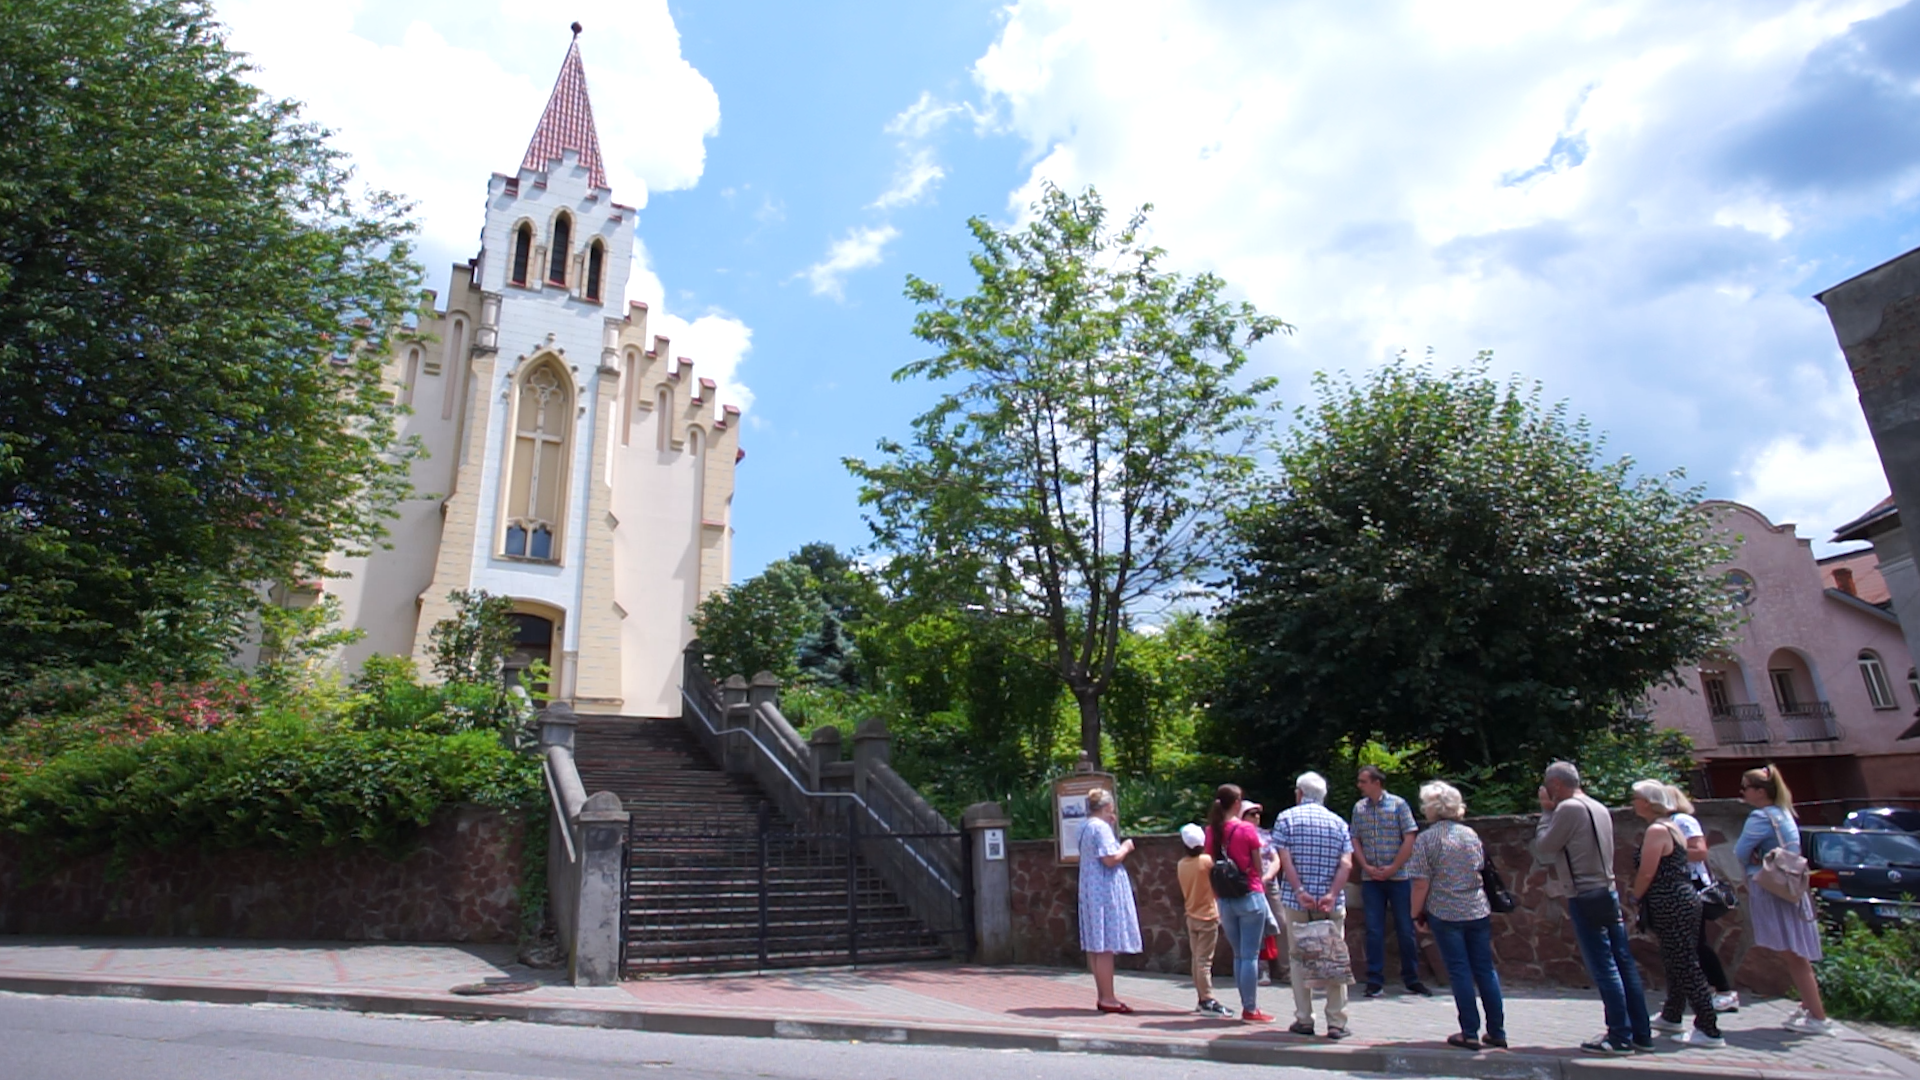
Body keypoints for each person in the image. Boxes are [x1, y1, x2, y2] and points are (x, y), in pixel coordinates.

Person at [1531, 761, 1652, 1055]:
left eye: (1548, 787)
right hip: (1606, 890)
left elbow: (1545, 848)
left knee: (1604, 965)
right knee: (1622, 962)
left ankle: (1619, 1036)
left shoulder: (1568, 809)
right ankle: (1640, 1033)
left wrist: (1546, 811)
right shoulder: (1597, 806)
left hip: (1584, 893)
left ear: (1556, 785)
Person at [1735, 764, 1837, 1035]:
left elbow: (1741, 850)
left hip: (1772, 888)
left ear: (1759, 791)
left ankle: (1818, 1017)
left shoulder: (1760, 817)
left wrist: (1753, 865)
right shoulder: (1784, 813)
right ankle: (1809, 1006)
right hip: (1791, 885)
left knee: (1793, 954)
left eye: (1745, 788)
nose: (1742, 792)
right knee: (1796, 951)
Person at [1409, 780, 1506, 1051]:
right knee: (1485, 969)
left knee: (1459, 971)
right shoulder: (1470, 835)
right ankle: (1497, 1030)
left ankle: (1469, 1031)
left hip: (1445, 911)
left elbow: (1420, 883)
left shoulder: (1427, 839)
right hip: (1476, 908)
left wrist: (1414, 913)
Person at [1627, 780, 1722, 1048]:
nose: (1633, 803)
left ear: (1647, 802)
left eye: (1636, 798)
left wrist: (1636, 896)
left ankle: (1708, 1026)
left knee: (1684, 962)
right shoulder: (1673, 826)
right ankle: (1672, 1013)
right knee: (1675, 958)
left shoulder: (1657, 830)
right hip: (1682, 898)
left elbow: (1648, 871)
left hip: (1669, 900)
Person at [1271, 771, 1356, 1040]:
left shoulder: (1286, 819)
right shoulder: (1338, 823)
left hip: (1297, 902)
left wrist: (1300, 891)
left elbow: (1286, 861)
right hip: (1331, 903)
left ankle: (1304, 1019)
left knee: (1298, 958)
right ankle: (1336, 1022)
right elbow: (1346, 864)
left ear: (1300, 793)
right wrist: (1331, 893)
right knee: (1333, 957)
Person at [1351, 765, 1432, 999]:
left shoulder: (1398, 805)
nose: (1360, 785)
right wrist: (1366, 865)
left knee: (1406, 928)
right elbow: (1355, 837)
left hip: (1399, 877)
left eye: (1363, 781)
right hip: (1371, 878)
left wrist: (1394, 867)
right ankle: (1374, 980)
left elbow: (1409, 836)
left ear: (1376, 782)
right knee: (1374, 930)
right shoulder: (1359, 808)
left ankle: (1412, 978)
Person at [1209, 783, 1277, 1023]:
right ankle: (1250, 1008)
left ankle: (1245, 1004)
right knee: (1250, 956)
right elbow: (1258, 867)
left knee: (1239, 955)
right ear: (1237, 804)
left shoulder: (1212, 831)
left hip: (1225, 899)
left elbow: (1210, 864)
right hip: (1250, 895)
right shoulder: (1247, 830)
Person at [1668, 785, 1739, 1013]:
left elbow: (1699, 851)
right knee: (1686, 943)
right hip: (1679, 883)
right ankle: (1700, 989)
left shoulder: (1683, 821)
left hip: (1693, 883)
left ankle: (1724, 991)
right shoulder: (1667, 822)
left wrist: (1667, 849)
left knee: (1697, 942)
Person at [1076, 787, 1142, 1013]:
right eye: (1111, 809)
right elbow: (1110, 859)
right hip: (1103, 890)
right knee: (1104, 946)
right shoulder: (1100, 828)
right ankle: (1108, 997)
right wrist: (1126, 847)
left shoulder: (1085, 826)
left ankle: (1103, 994)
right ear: (1105, 808)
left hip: (1090, 888)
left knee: (1097, 945)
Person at [1177, 822, 1232, 1017]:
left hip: (1191, 915)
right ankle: (1207, 998)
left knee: (1196, 959)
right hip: (1208, 915)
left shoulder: (1182, 864)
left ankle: (1201, 998)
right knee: (1204, 961)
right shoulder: (1206, 861)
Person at [1241, 800, 1285, 985]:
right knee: (1255, 928)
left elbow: (1276, 859)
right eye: (1251, 814)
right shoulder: (1238, 835)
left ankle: (1287, 968)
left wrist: (1267, 877)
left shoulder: (1266, 835)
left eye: (1257, 813)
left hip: (1269, 884)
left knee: (1281, 922)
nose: (1256, 817)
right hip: (1250, 885)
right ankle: (1262, 970)